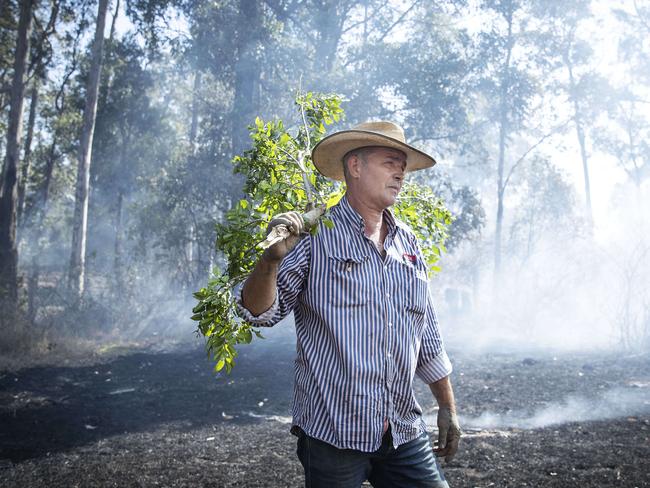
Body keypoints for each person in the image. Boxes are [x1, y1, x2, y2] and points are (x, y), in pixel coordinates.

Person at [237, 121, 461, 488]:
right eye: (391, 161)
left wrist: (448, 407)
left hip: (403, 430)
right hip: (333, 435)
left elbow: (427, 333)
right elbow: (259, 313)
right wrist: (269, 261)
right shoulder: (315, 237)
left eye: (403, 166)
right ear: (355, 166)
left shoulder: (408, 244)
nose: (400, 172)